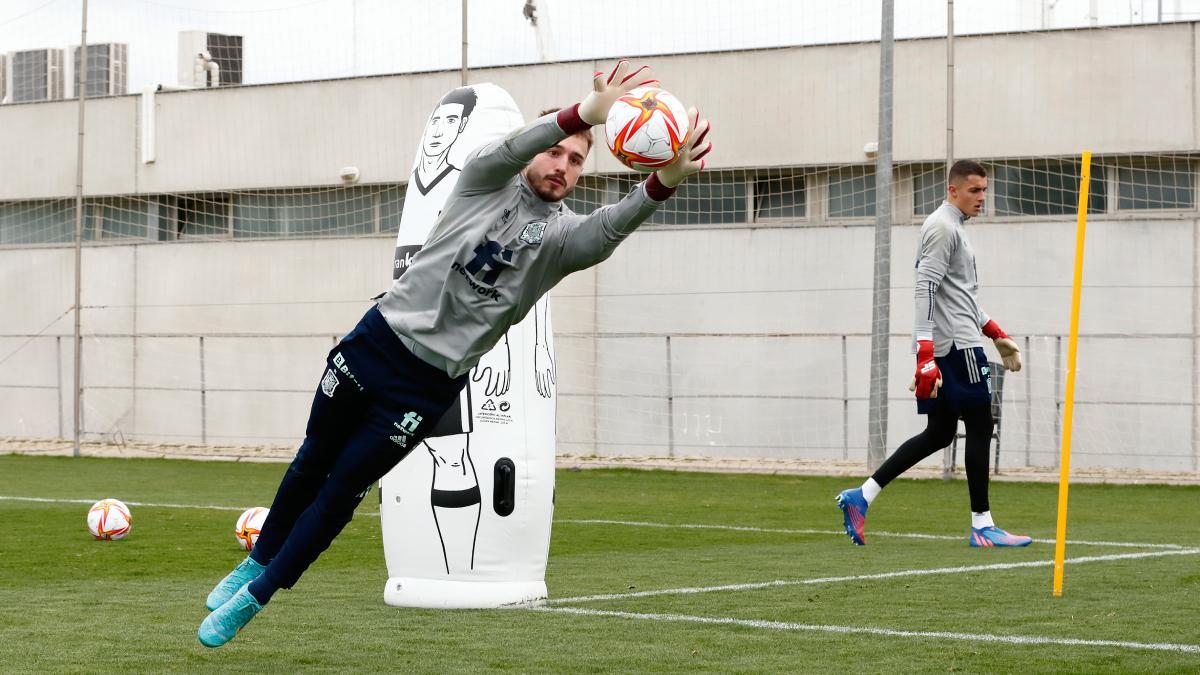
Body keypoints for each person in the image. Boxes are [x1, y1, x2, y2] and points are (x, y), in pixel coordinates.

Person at [197, 60, 713, 647]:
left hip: (424, 386)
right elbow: (508, 149)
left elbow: (612, 227)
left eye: (576, 160)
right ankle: (257, 560)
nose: (563, 166)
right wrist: (581, 114)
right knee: (313, 457)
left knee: (342, 492)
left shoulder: (563, 239)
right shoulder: (482, 180)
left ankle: (255, 599)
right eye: (557, 152)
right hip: (374, 342)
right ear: (535, 152)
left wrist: (666, 178)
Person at [835, 160, 1030, 548]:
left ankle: (863, 496)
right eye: (974, 191)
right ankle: (982, 525)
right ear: (953, 190)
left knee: (939, 433)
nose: (982, 198)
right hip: (956, 346)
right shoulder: (943, 227)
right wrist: (926, 353)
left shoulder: (952, 226)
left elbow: (957, 295)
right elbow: (925, 288)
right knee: (980, 425)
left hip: (954, 342)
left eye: (984, 190)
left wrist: (995, 332)